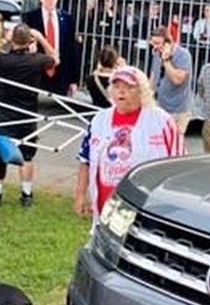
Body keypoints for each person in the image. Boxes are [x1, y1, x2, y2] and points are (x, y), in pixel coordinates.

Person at [74, 66, 184, 221]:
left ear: (142, 91)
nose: (121, 91)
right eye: (116, 86)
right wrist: (80, 195)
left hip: (146, 206)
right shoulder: (99, 120)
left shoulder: (161, 121)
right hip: (106, 204)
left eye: (129, 87)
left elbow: (179, 164)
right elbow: (85, 160)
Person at [0, 24, 57, 208]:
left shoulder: (2, 60)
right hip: (27, 114)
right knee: (26, 156)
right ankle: (26, 194)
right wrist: (41, 38)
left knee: (0, 153)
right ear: (29, 41)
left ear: (13, 40)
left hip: (4, 114)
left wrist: (4, 40)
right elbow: (55, 59)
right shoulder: (37, 60)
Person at [21, 0, 80, 96]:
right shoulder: (30, 17)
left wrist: (73, 80)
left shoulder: (67, 19)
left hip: (61, 71)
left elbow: (72, 50)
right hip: (38, 71)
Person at [148, 27, 194, 136]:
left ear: (168, 43)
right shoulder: (156, 54)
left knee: (174, 144)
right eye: (153, 43)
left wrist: (166, 60)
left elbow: (177, 80)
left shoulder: (183, 55)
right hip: (160, 106)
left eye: (157, 43)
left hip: (178, 109)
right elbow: (153, 78)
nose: (155, 47)